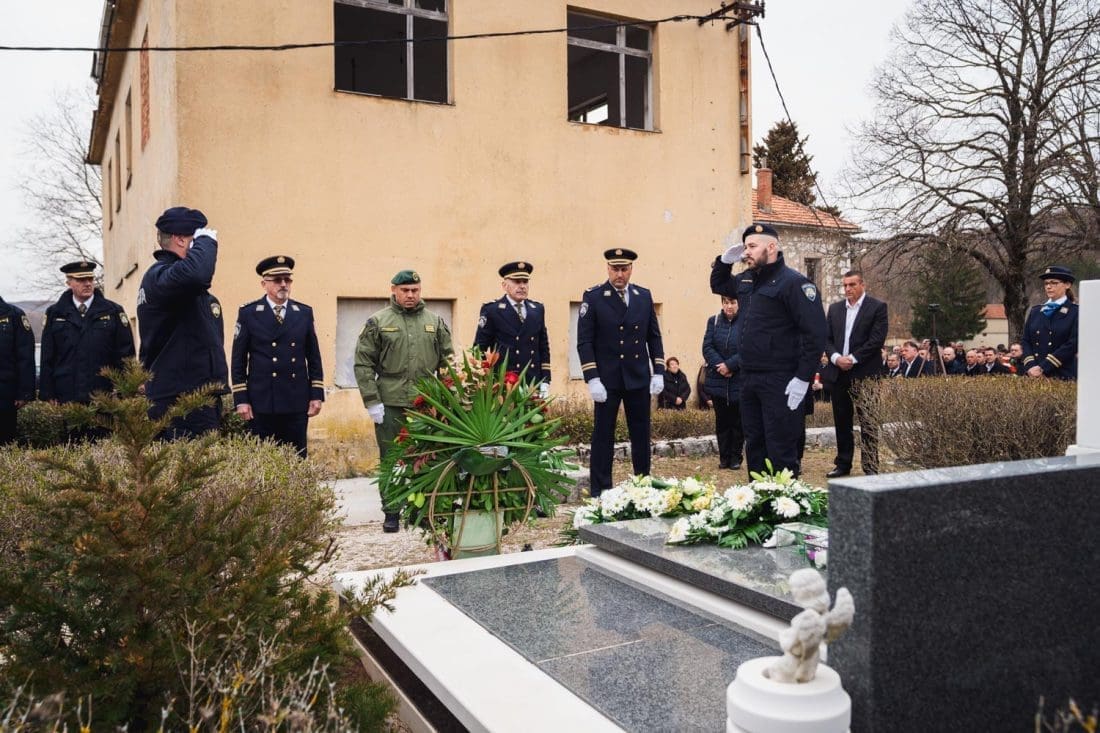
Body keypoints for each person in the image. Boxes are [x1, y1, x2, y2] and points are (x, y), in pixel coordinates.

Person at [710, 223, 826, 477]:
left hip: (781, 379)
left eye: (752, 246)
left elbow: (816, 335)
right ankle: (759, 498)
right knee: (755, 445)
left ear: (771, 247)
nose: (746, 252)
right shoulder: (747, 280)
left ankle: (784, 501)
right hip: (749, 377)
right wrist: (724, 262)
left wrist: (803, 378)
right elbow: (719, 285)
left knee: (781, 448)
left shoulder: (794, 284)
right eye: (745, 247)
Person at [355, 269, 453, 531]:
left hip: (426, 403)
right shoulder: (378, 322)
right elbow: (363, 364)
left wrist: (448, 399)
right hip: (390, 402)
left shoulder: (435, 322)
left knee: (428, 456)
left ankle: (423, 510)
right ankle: (391, 511)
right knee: (391, 458)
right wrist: (372, 401)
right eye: (405, 290)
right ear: (394, 290)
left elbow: (448, 363)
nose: (410, 295)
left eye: (415, 290)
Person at [577, 248, 665, 497]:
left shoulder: (643, 296)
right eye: (615, 269)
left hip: (638, 376)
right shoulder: (594, 297)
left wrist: (658, 370)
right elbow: (584, 342)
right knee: (603, 435)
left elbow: (653, 337)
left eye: (624, 269)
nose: (619, 274)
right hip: (607, 379)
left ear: (631, 270)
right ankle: (601, 490)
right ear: (608, 269)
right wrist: (592, 378)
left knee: (641, 434)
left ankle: (642, 487)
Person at [137, 206, 228, 439]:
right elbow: (199, 273)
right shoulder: (161, 276)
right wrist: (206, 241)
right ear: (180, 240)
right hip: (181, 400)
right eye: (195, 239)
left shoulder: (182, 289)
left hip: (192, 396)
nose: (200, 248)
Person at [231, 256, 324, 458]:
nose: (283, 284)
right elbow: (238, 360)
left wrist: (316, 395)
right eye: (277, 280)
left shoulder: (303, 313)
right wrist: (241, 399)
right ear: (264, 284)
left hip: (296, 400)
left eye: (287, 279)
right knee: (263, 459)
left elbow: (314, 357)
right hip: (262, 401)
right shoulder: (249, 313)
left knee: (297, 458)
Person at [39, 261, 136, 418]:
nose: (87, 284)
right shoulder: (55, 313)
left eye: (90, 279)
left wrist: (125, 389)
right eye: (81, 280)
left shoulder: (112, 311)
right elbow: (48, 355)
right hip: (68, 393)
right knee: (72, 433)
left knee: (104, 433)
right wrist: (48, 392)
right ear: (69, 283)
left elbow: (125, 352)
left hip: (103, 393)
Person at [822, 270, 888, 478]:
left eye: (852, 285)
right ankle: (843, 464)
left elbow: (876, 340)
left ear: (862, 285)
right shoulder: (835, 309)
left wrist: (852, 358)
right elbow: (826, 339)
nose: (848, 289)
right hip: (839, 373)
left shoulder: (877, 307)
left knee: (868, 421)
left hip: (865, 374)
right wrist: (836, 358)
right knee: (842, 421)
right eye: (845, 285)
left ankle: (870, 465)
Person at [473, 261, 550, 394]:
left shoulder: (537, 309)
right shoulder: (492, 310)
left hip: (532, 382)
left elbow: (543, 347)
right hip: (504, 382)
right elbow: (480, 348)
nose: (522, 286)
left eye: (525, 282)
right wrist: (482, 379)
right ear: (504, 285)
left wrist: (545, 380)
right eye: (517, 282)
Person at [702, 296, 743, 469]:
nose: (729, 306)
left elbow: (748, 349)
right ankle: (724, 457)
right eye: (726, 303)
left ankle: (735, 458)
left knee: (738, 422)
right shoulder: (714, 321)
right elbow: (707, 347)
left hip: (738, 380)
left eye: (732, 302)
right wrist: (721, 366)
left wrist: (731, 365)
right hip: (718, 380)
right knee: (722, 421)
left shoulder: (746, 322)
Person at [1021, 266, 1078, 380]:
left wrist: (1043, 367)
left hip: (1061, 374)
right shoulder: (1036, 311)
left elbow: (1072, 344)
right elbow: (1026, 340)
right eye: (1046, 283)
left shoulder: (1075, 311)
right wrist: (1031, 366)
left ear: (1067, 285)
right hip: (1034, 375)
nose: (1048, 286)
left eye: (1054, 283)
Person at [0, 294, 36, 444]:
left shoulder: (13, 315)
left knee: (4, 444)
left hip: (4, 394)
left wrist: (25, 393)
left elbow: (25, 356)